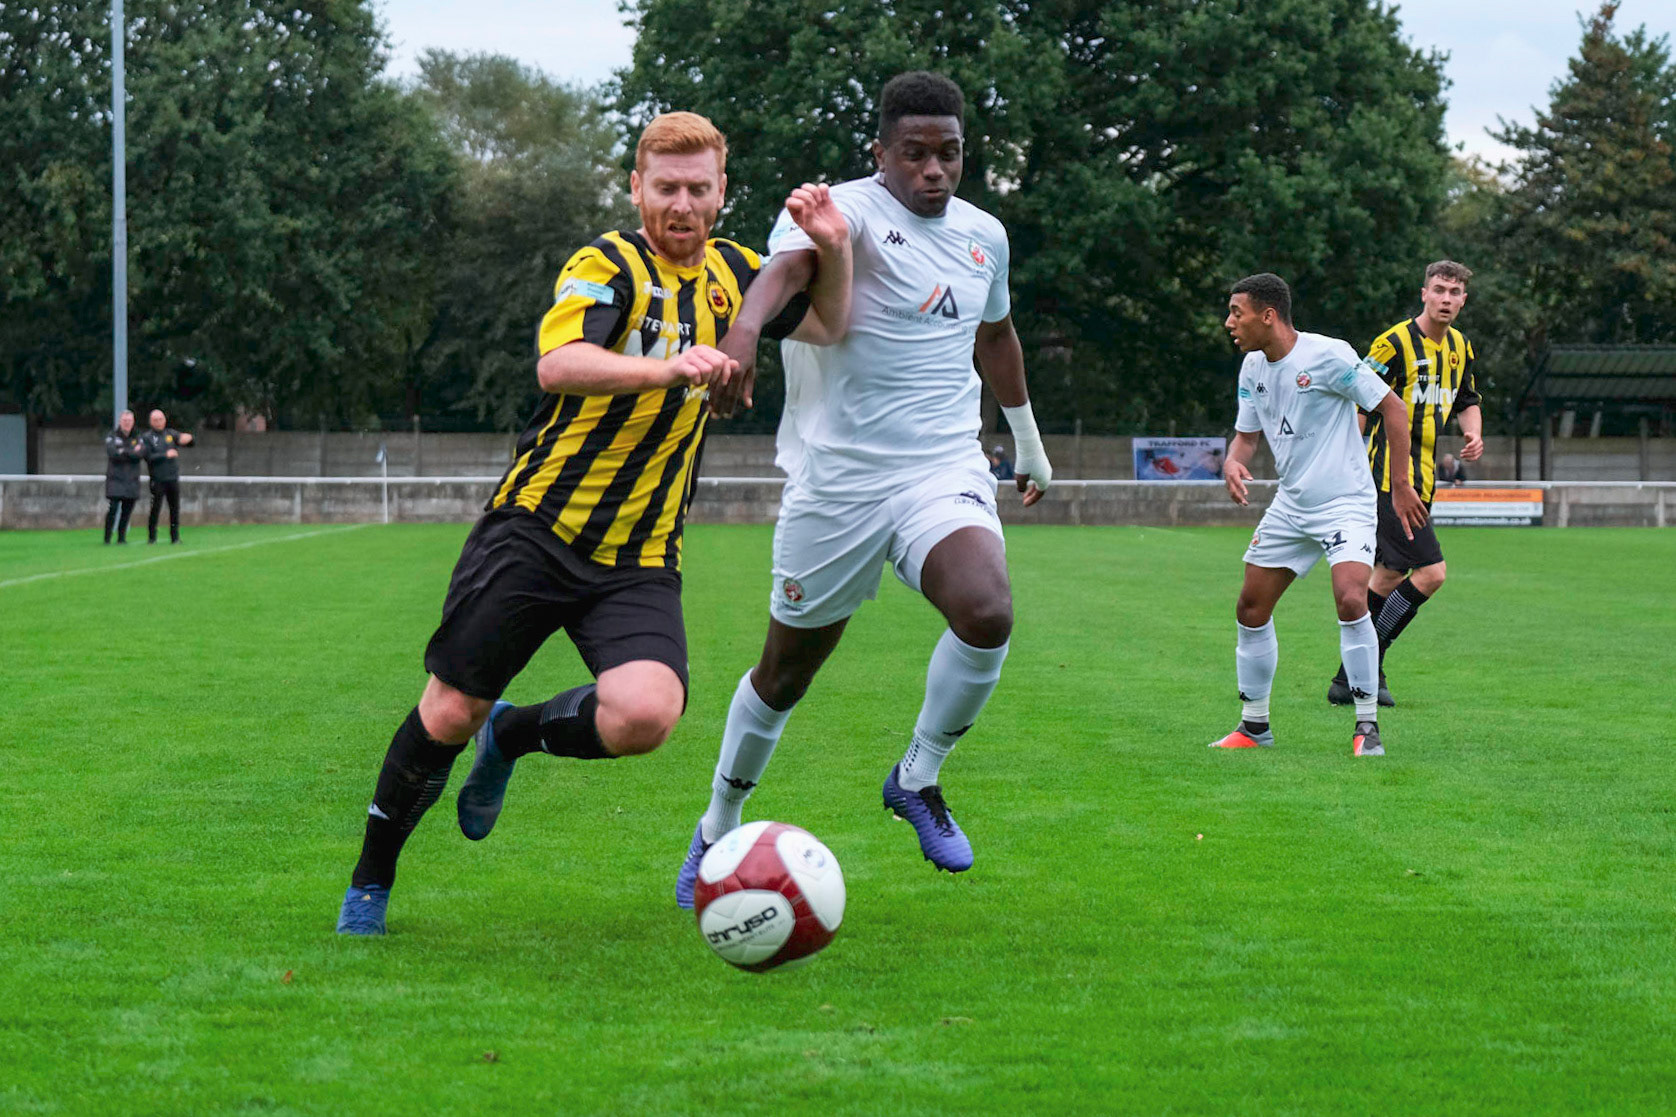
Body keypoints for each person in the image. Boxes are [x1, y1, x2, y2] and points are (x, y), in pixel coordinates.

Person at [335, 111, 852, 935]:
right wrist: (669, 366)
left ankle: (515, 733)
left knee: (646, 714)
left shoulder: (740, 276)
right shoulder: (606, 263)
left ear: (722, 194)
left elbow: (831, 324)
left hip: (641, 552)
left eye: (699, 188)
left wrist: (835, 243)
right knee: (447, 711)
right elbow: (558, 362)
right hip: (537, 529)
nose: (681, 204)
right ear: (637, 187)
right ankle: (370, 878)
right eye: (665, 187)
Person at [673, 71, 1053, 908]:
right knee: (784, 674)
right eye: (914, 154)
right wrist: (740, 330)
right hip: (837, 478)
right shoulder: (833, 210)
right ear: (880, 154)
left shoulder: (985, 234)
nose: (933, 171)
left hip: (940, 466)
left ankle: (917, 777)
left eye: (948, 154)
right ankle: (716, 824)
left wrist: (1026, 442)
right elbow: (783, 274)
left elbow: (997, 335)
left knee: (988, 609)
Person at [1209, 273, 1425, 758]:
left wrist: (1401, 486)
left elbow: (1393, 409)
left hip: (1345, 501)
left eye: (1236, 312)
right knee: (1250, 609)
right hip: (1292, 505)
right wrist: (1232, 461)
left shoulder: (1329, 355)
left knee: (1351, 599)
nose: (1229, 323)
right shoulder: (1251, 368)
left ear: (1268, 316)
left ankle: (1366, 728)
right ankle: (1254, 726)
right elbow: (1246, 436)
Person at [1326, 260, 1483, 707]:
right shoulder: (1393, 342)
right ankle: (1369, 663)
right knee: (1432, 573)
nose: (1447, 299)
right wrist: (1346, 461)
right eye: (1440, 290)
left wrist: (1473, 431)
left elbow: (1467, 398)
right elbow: (1356, 399)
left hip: (1424, 480)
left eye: (1455, 292)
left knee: (1391, 573)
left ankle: (1349, 676)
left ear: (1463, 299)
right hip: (1387, 481)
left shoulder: (1460, 347)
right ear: (1424, 293)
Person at [140, 409, 193, 544]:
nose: (158, 422)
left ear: (165, 420)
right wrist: (165, 454)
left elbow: (186, 442)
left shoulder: (170, 434)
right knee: (155, 508)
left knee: (175, 508)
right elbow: (148, 457)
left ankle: (175, 537)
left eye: (161, 419)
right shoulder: (147, 437)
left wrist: (189, 439)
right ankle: (152, 537)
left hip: (172, 478)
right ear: (151, 422)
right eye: (155, 420)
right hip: (157, 479)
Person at [103, 410, 145, 544]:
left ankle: (121, 538)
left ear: (133, 422)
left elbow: (141, 454)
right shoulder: (112, 436)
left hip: (131, 480)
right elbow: (113, 453)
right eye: (125, 421)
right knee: (113, 509)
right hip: (115, 479)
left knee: (127, 510)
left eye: (129, 421)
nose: (127, 423)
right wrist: (131, 452)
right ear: (120, 422)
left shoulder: (138, 437)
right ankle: (107, 538)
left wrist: (123, 451)